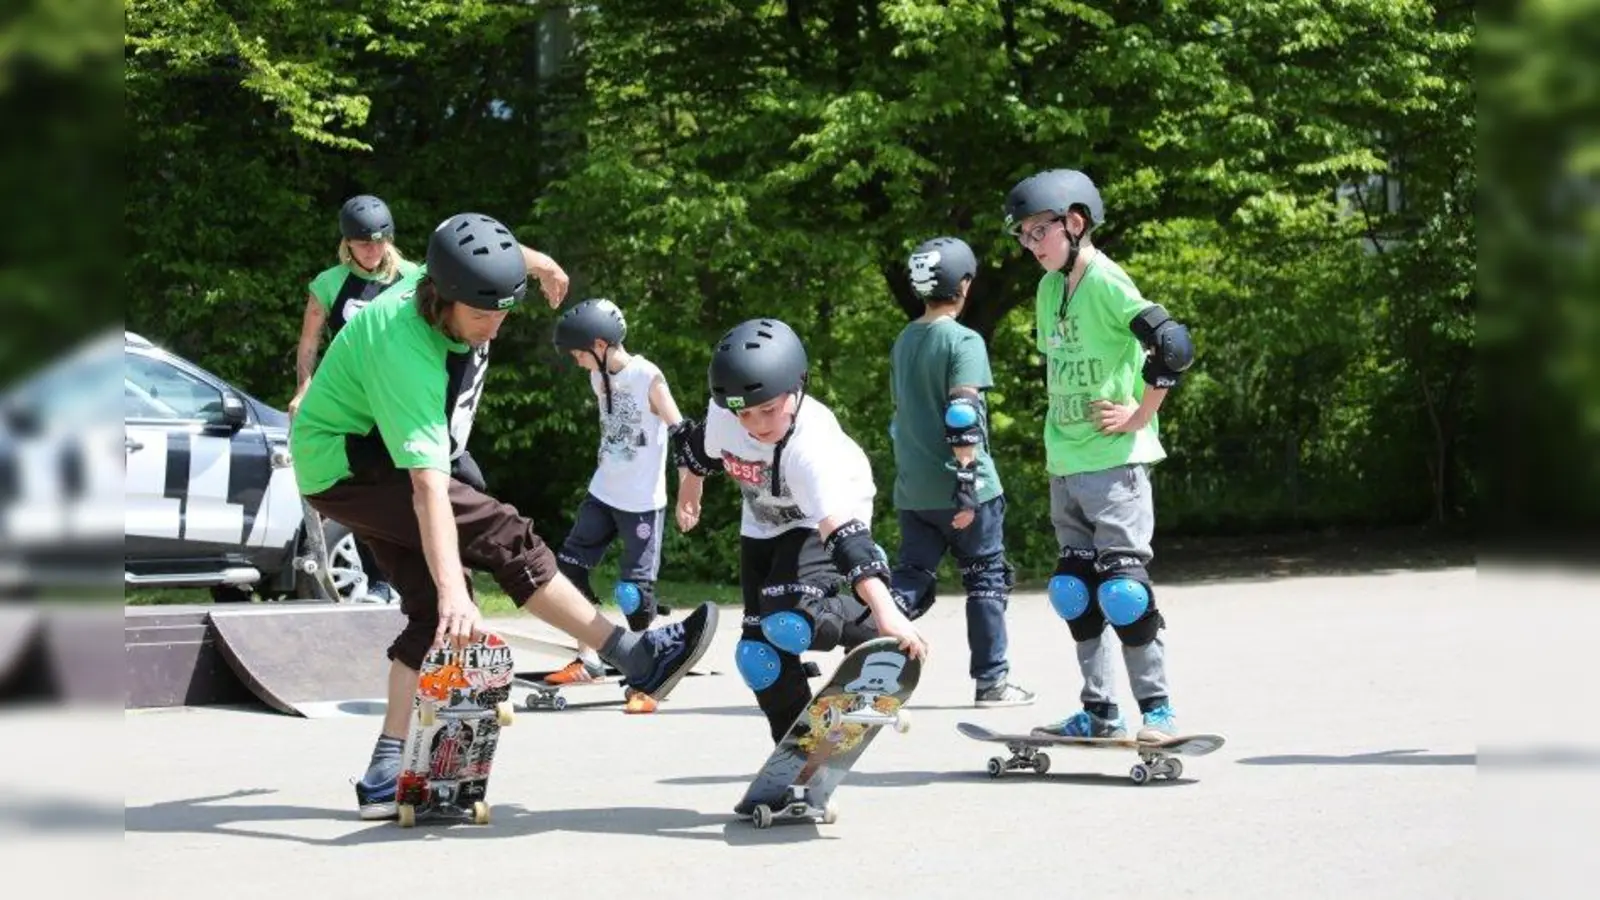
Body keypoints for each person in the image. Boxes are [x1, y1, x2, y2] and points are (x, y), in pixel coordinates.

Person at [289, 212, 718, 818]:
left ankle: (385, 770)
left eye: (503, 313)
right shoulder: (404, 348)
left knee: (431, 617)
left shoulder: (441, 275)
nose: (493, 327)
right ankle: (636, 656)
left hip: (366, 454)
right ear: (443, 297)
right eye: (481, 316)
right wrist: (456, 593)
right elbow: (427, 488)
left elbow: (499, 251)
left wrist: (542, 266)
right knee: (502, 537)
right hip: (350, 463)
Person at [1000, 168, 1196, 741]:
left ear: (1075, 222)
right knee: (1074, 590)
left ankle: (1158, 711)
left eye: (1040, 231)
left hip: (1114, 466)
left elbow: (1172, 343)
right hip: (1066, 464)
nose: (1031, 244)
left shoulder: (1106, 280)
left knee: (1122, 591)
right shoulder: (1048, 288)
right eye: (1024, 236)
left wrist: (1140, 413)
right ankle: (1100, 711)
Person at [670, 317, 928, 743]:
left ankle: (868, 623)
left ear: (798, 387)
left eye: (769, 410)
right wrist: (689, 488)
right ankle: (799, 747)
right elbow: (698, 449)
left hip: (823, 518)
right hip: (763, 524)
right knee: (758, 655)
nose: (756, 425)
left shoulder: (812, 447)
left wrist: (886, 611)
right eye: (745, 413)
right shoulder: (725, 417)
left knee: (791, 623)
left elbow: (843, 536)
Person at [888, 236, 1035, 708]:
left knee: (910, 578)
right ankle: (992, 682)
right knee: (986, 578)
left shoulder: (904, 340)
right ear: (964, 284)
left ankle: (872, 652)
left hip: (914, 491)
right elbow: (962, 414)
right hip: (963, 491)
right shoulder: (964, 340)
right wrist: (967, 484)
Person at [543, 297, 695, 714]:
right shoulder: (599, 377)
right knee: (568, 572)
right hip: (603, 493)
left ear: (599, 344)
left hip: (642, 503)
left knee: (632, 594)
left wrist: (688, 494)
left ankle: (649, 671)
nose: (576, 361)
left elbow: (682, 434)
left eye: (578, 353)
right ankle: (588, 660)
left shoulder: (648, 376)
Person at [289, 194, 419, 602]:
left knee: (423, 480)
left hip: (401, 397)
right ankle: (380, 582)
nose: (373, 250)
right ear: (347, 243)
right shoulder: (329, 283)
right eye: (364, 243)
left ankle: (429, 573)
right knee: (366, 488)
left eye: (380, 241)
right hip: (354, 403)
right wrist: (304, 387)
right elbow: (309, 342)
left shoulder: (413, 277)